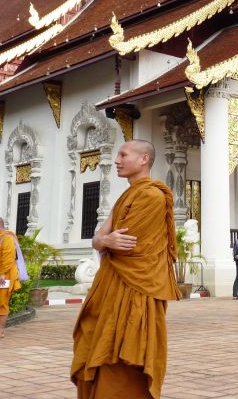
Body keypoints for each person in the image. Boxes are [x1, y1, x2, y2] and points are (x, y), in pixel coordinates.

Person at [71, 140, 181, 399]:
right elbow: (100, 239)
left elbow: (129, 247)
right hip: (111, 286)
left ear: (144, 159)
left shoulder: (152, 196)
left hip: (135, 291)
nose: (117, 160)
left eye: (123, 154)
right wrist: (105, 242)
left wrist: (107, 243)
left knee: (124, 351)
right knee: (96, 340)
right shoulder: (126, 196)